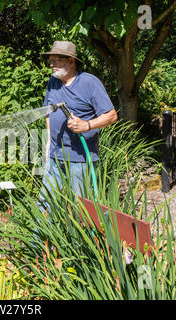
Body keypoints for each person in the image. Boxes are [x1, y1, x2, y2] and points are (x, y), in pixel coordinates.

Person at [39, 41, 118, 211]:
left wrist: (87, 125)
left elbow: (112, 116)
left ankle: (78, 238)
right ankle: (38, 239)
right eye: (50, 61)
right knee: (45, 203)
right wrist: (47, 146)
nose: (51, 65)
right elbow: (48, 112)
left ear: (71, 61)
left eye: (56, 60)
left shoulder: (89, 83)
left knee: (79, 208)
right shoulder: (53, 82)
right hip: (54, 156)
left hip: (80, 160)